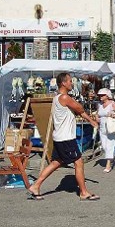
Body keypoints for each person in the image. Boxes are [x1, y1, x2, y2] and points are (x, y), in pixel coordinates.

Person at [27, 73, 99, 201]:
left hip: (60, 137)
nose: (72, 83)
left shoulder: (57, 97)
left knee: (56, 163)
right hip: (65, 138)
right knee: (78, 162)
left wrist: (90, 120)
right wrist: (91, 119)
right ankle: (83, 192)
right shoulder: (65, 97)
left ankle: (36, 186)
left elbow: (80, 111)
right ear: (64, 83)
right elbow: (80, 108)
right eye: (70, 81)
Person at [96, 88, 115, 173]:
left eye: (102, 95)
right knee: (104, 146)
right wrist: (97, 118)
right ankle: (110, 159)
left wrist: (113, 115)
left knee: (110, 145)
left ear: (107, 96)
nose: (100, 96)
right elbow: (98, 113)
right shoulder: (99, 104)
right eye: (99, 95)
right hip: (102, 127)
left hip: (111, 127)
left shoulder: (112, 104)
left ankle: (108, 164)